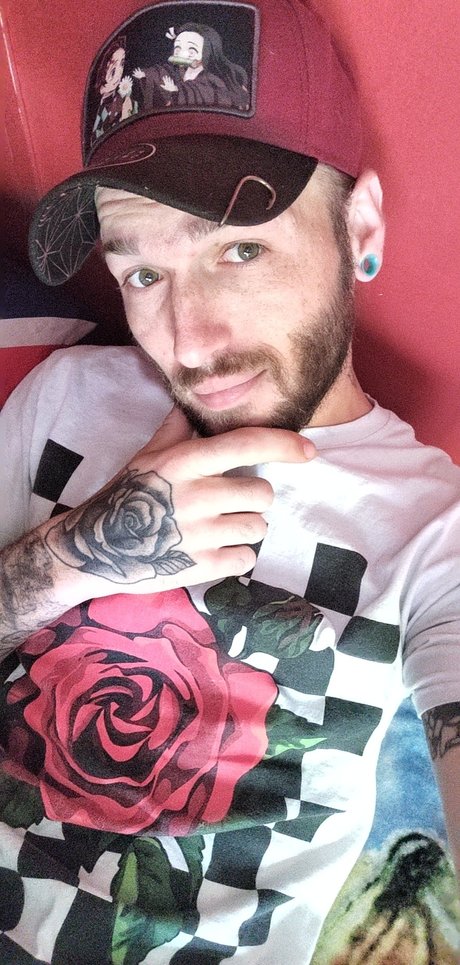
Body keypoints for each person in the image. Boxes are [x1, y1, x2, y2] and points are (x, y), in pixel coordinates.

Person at [0, 0, 459, 962]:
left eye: (240, 249)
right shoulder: (64, 397)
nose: (189, 341)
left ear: (361, 228)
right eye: (141, 274)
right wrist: (76, 556)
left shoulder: (433, 527)